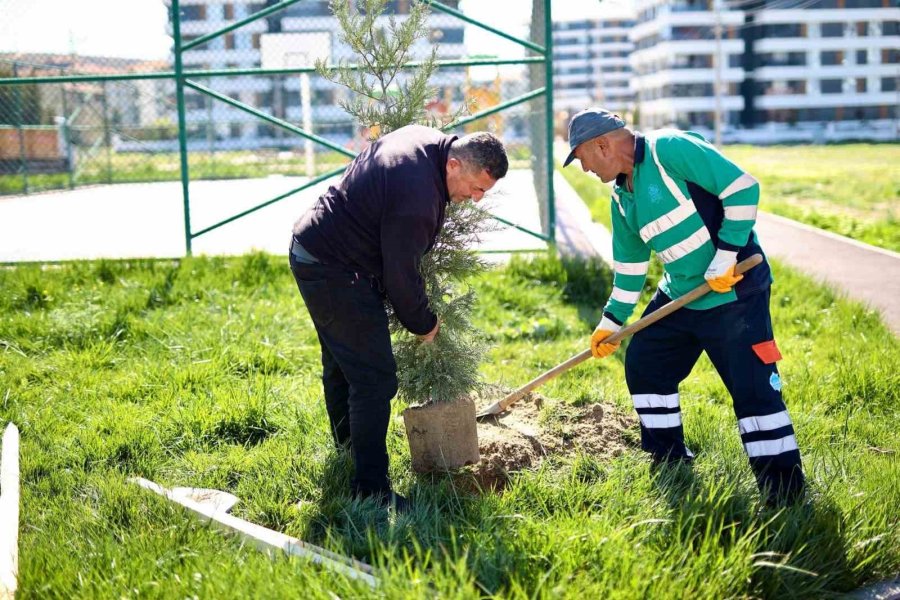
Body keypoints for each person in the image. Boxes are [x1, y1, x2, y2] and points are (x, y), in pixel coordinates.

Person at [563, 108, 805, 506]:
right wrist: (610, 322)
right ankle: (669, 460)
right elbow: (629, 270)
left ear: (602, 144)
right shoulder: (623, 199)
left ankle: (785, 493)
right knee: (645, 362)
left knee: (752, 390)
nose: (584, 168)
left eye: (582, 158)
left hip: (734, 292)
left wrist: (726, 255)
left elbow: (743, 189)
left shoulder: (669, 150)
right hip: (681, 297)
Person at [289, 125, 508, 512]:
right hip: (335, 269)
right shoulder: (418, 195)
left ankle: (349, 452)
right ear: (454, 164)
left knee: (344, 365)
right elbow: (400, 275)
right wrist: (425, 323)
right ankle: (370, 488)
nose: (474, 199)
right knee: (374, 379)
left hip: (317, 248)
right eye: (476, 188)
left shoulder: (425, 140)